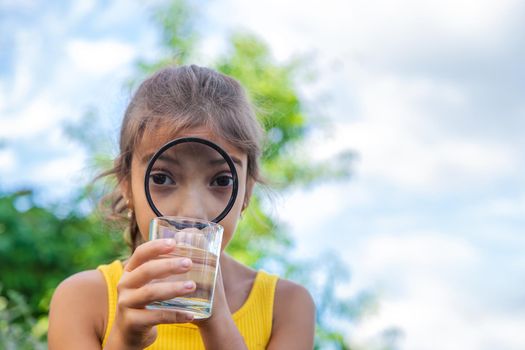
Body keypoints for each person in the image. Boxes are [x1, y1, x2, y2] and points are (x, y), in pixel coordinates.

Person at [48, 65, 315, 349]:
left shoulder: (286, 305)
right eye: (162, 178)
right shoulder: (82, 299)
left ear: (246, 192)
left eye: (221, 180)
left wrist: (217, 321)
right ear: (127, 184)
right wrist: (124, 340)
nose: (191, 212)